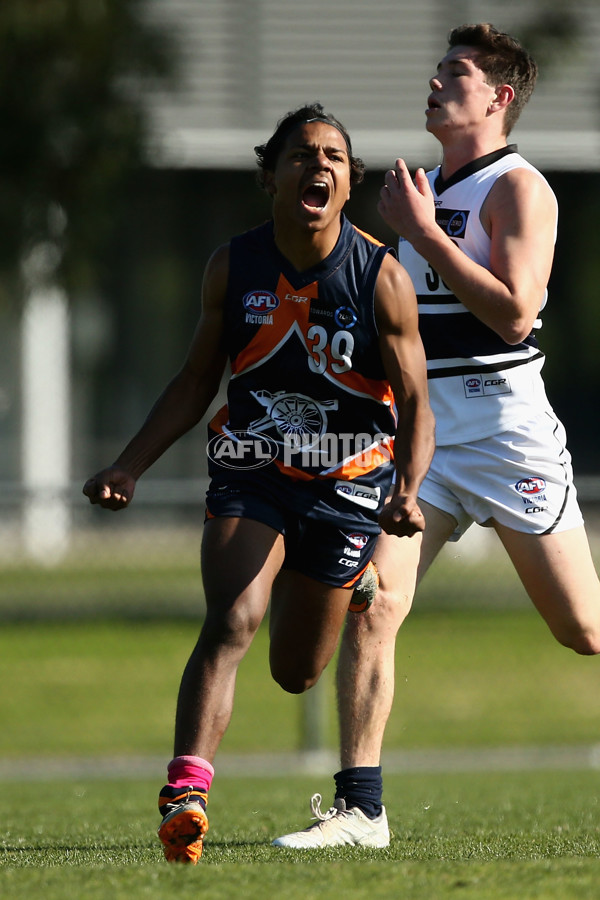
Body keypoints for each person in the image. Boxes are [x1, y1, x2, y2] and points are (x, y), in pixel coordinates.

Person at [273, 23, 600, 850]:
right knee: (372, 606)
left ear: (499, 96)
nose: (435, 81)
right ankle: (361, 811)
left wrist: (421, 233)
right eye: (437, 69)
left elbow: (516, 311)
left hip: (504, 429)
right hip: (422, 437)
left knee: (585, 632)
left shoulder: (519, 189)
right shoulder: (412, 193)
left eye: (455, 72)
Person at [83, 102, 434, 863]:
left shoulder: (381, 276)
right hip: (252, 467)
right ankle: (186, 796)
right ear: (269, 176)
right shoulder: (233, 265)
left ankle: (349, 581)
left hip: (346, 482)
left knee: (297, 672)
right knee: (234, 615)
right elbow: (194, 380)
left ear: (349, 185)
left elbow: (414, 404)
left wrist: (407, 489)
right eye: (302, 154)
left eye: (335, 157)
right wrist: (128, 465)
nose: (320, 166)